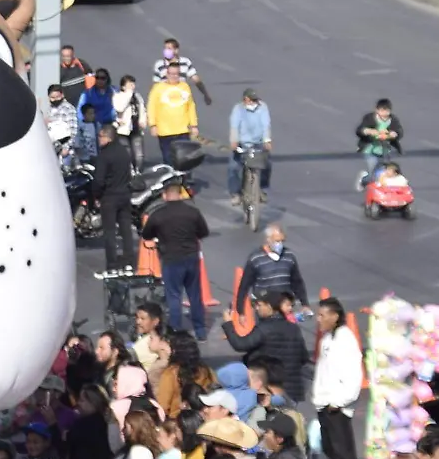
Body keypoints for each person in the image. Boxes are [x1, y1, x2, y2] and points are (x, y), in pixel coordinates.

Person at [142, 181, 210, 340]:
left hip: (171, 259)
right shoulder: (193, 212)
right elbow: (203, 232)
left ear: (165, 196)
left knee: (174, 296)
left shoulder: (158, 214)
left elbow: (146, 235)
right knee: (195, 295)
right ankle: (200, 330)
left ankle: (175, 332)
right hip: (191, 258)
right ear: (180, 194)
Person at [222, 292, 311, 409]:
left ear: (269, 307)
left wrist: (228, 324)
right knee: (288, 421)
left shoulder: (263, 328)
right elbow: (303, 357)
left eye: (260, 305)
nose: (257, 309)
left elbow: (240, 344)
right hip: (292, 388)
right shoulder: (293, 328)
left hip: (269, 387)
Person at [311, 297, 364, 459]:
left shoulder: (345, 339)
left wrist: (339, 402)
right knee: (331, 451)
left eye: (322, 315)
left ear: (335, 316)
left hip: (336, 407)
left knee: (343, 454)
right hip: (324, 403)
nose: (318, 319)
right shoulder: (326, 339)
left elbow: (353, 375)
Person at [96, 123, 137, 278]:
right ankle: (128, 264)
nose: (99, 139)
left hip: (109, 197)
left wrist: (97, 196)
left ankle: (112, 266)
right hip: (125, 195)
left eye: (100, 136)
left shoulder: (104, 155)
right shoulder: (124, 152)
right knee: (126, 230)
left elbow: (99, 180)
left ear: (108, 137)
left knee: (110, 232)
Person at [234, 225, 307, 309]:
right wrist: (240, 310)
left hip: (285, 308)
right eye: (277, 241)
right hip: (264, 309)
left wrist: (305, 303)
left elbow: (297, 282)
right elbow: (245, 285)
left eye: (282, 241)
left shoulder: (289, 256)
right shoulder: (255, 259)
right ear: (268, 240)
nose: (280, 244)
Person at [147, 62, 198, 168]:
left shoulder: (185, 87)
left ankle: (184, 182)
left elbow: (191, 106)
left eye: (176, 74)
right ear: (167, 74)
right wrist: (153, 125)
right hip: (165, 131)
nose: (174, 76)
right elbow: (151, 107)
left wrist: (193, 125)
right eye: (171, 74)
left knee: (184, 159)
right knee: (168, 159)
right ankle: (171, 182)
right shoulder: (158, 88)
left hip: (182, 130)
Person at [226, 88, 272, 206]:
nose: (254, 103)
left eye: (255, 100)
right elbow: (234, 126)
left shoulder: (263, 107)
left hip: (258, 142)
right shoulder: (238, 109)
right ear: (246, 100)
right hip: (242, 143)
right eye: (252, 100)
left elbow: (266, 124)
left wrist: (267, 140)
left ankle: (262, 189)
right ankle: (236, 194)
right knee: (233, 167)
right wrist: (234, 141)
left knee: (267, 164)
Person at [356, 98, 404, 189]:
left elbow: (399, 130)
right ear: (377, 110)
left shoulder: (393, 120)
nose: (384, 113)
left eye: (387, 111)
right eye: (382, 110)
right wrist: (367, 131)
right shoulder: (370, 118)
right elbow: (359, 130)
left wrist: (395, 134)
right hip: (370, 149)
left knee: (386, 171)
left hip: (385, 150)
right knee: (373, 172)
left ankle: (382, 189)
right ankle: (364, 180)